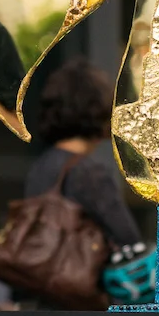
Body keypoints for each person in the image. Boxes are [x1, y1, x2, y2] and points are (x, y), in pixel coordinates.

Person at [23, 57, 145, 257]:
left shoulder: (41, 166)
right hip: (79, 274)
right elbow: (128, 239)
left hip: (40, 272)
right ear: (98, 111)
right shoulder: (89, 172)